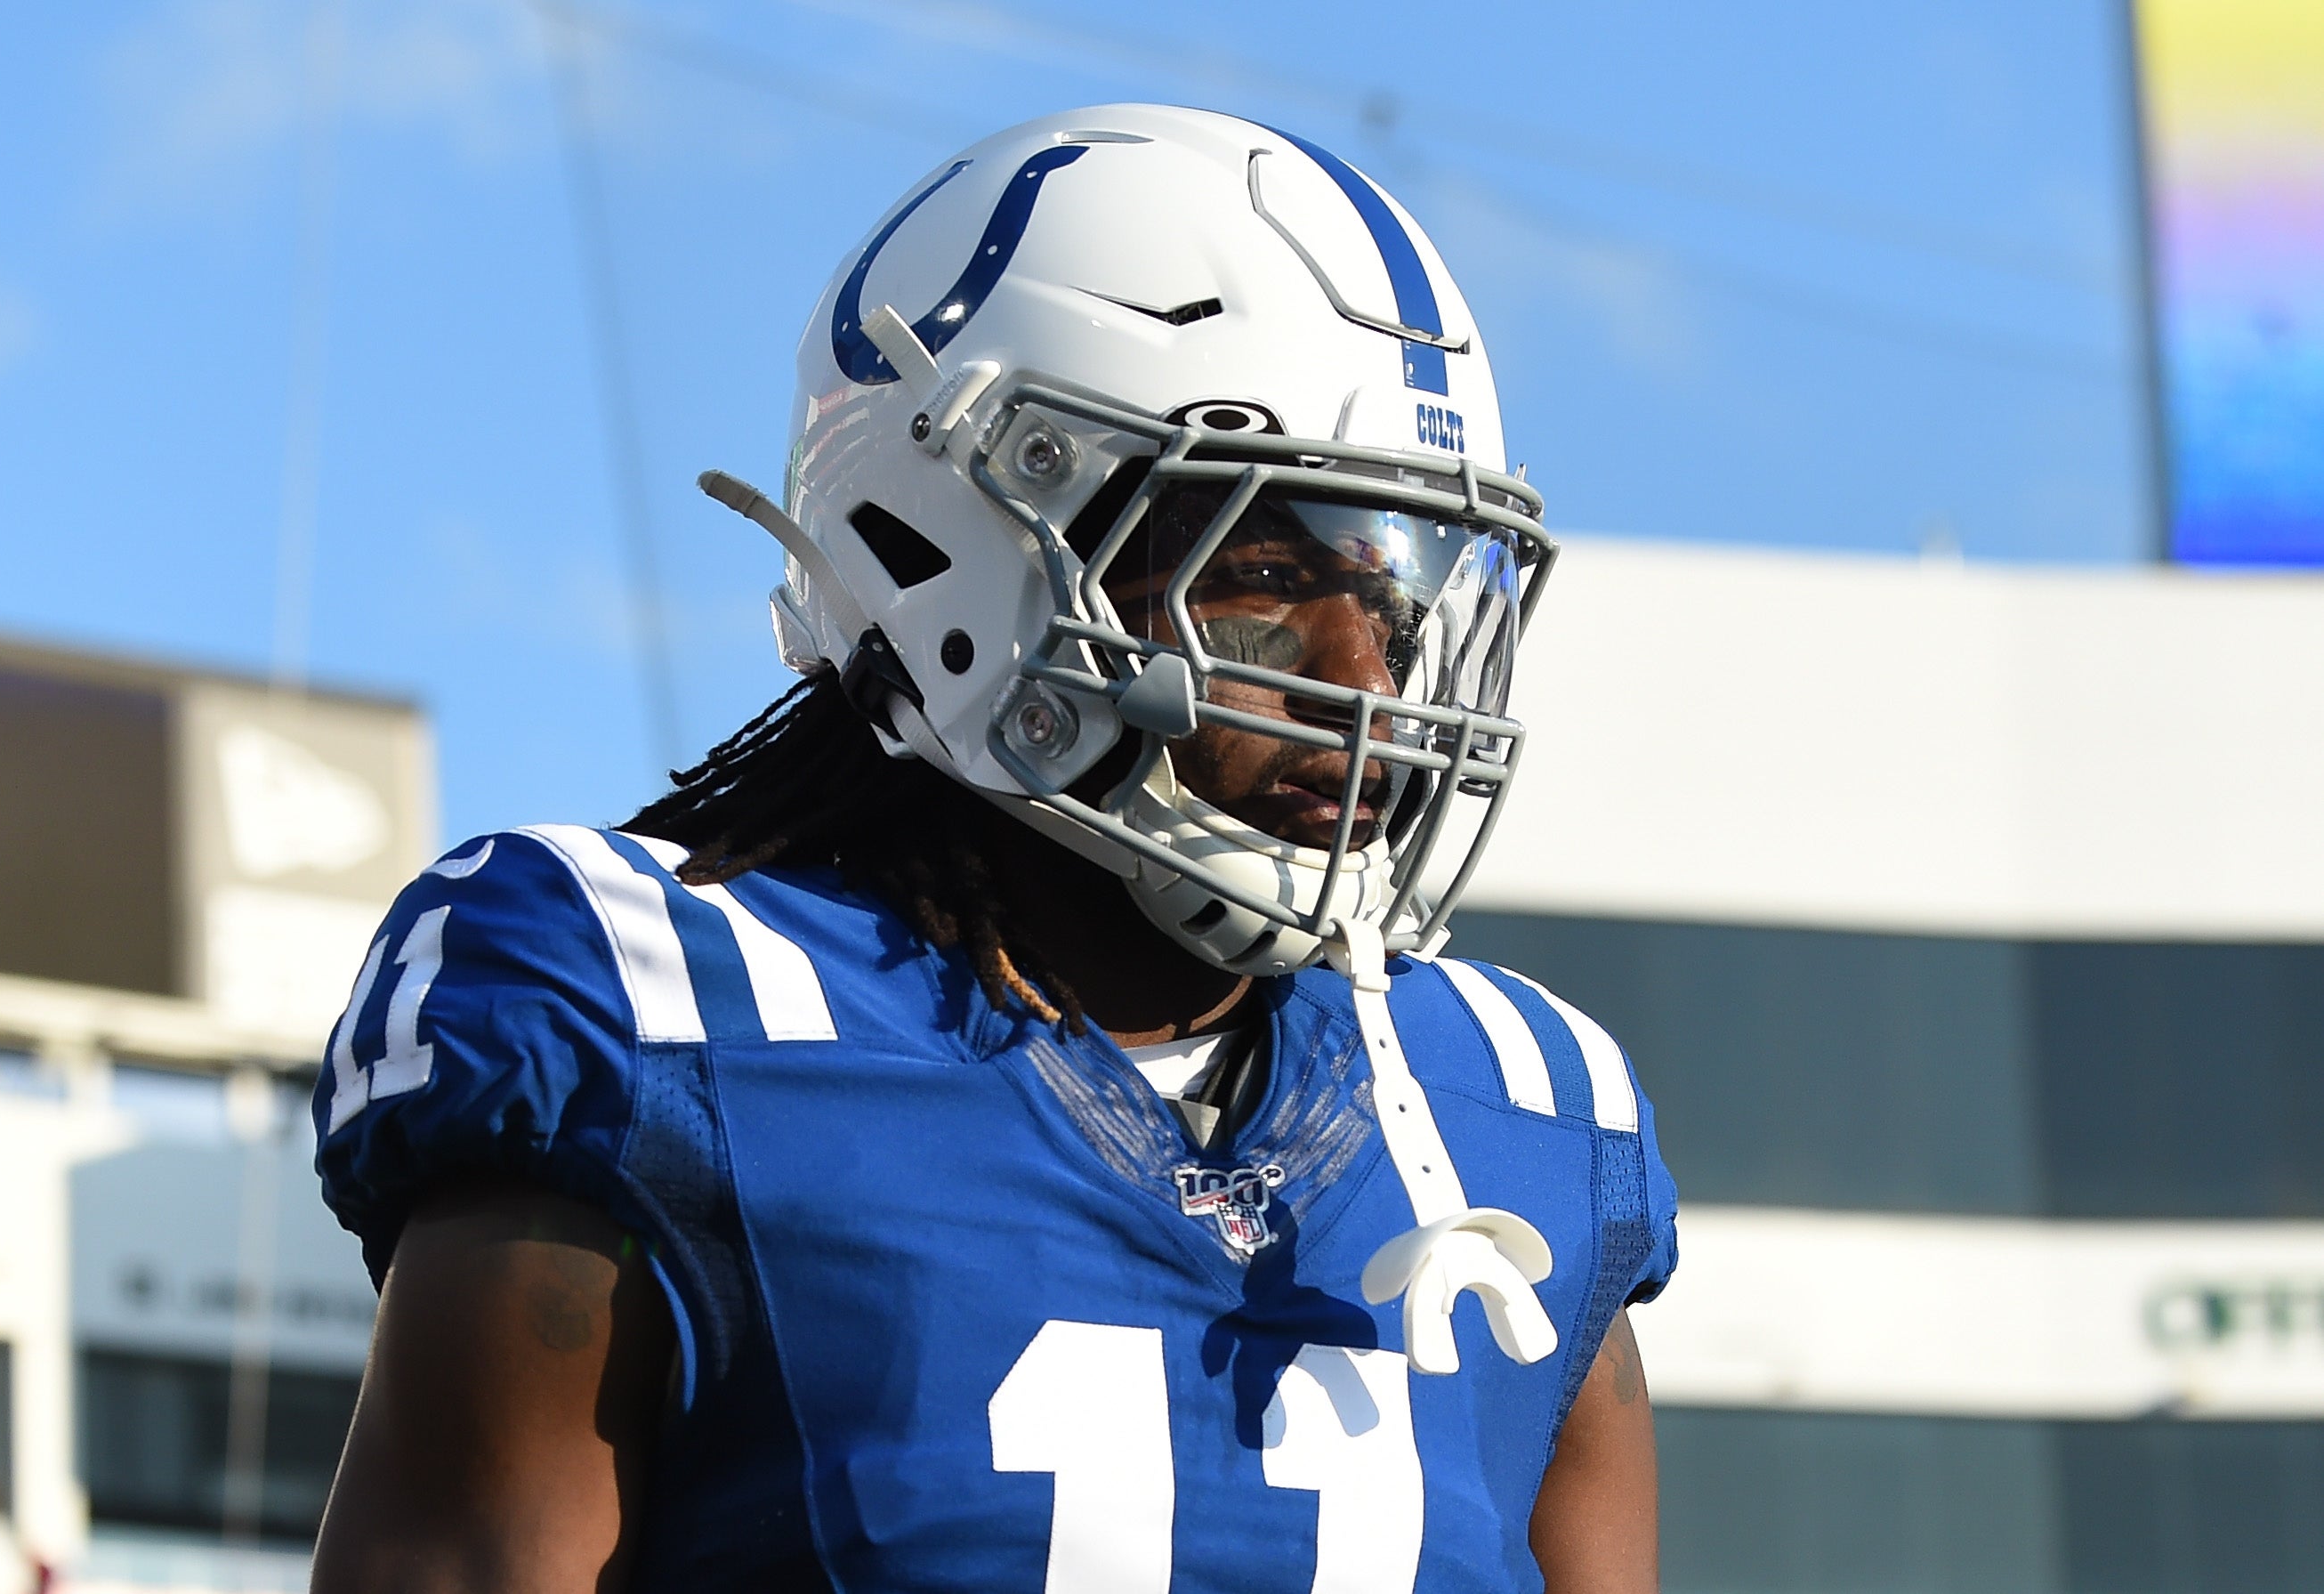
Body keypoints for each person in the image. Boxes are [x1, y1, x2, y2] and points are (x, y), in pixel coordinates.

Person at [309, 103, 1676, 1594]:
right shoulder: (665, 1021)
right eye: (1268, 573)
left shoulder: (1529, 1125)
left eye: (1400, 602)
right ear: (955, 544)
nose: (1368, 681)